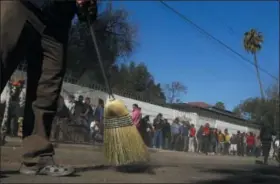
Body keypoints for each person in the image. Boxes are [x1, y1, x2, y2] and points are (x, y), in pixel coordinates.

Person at [0, 0, 97, 176]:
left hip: (57, 24)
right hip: (23, 5)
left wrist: (88, 7)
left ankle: (37, 157)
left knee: (47, 90)